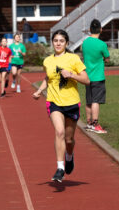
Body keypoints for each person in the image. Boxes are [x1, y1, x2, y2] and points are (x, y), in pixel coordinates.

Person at [33, 29, 90, 182]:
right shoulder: (47, 61)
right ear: (52, 42)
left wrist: (71, 75)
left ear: (66, 43)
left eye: (61, 41)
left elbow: (86, 80)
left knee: (69, 139)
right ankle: (60, 168)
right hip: (54, 102)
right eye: (55, 40)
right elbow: (48, 78)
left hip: (71, 103)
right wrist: (39, 90)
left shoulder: (73, 59)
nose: (58, 43)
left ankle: (69, 156)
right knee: (59, 132)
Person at [82, 19, 110, 134]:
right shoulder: (102, 44)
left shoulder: (85, 42)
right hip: (97, 76)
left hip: (87, 75)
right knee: (96, 101)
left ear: (90, 30)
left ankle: (88, 123)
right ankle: (95, 124)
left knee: (89, 100)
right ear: (101, 29)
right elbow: (107, 59)